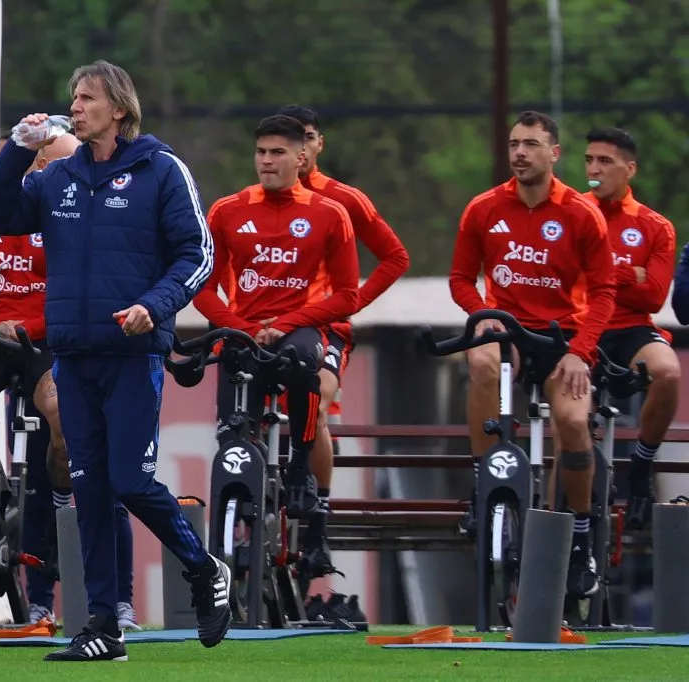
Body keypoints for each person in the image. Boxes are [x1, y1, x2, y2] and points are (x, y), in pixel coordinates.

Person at [0, 60, 230, 662]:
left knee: (130, 480)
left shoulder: (162, 170)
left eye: (86, 97)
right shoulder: (57, 177)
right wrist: (15, 150)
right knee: (87, 489)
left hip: (133, 355)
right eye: (73, 97)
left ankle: (202, 567)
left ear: (118, 108)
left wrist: (154, 306)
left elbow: (198, 256)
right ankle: (102, 628)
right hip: (73, 352)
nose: (76, 105)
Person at [0, 133, 139, 630]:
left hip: (50, 342)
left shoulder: (66, 219)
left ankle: (69, 505)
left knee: (64, 427)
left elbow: (81, 292)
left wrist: (32, 328)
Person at [449, 111, 616, 599]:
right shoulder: (483, 207)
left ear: (554, 153)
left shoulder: (581, 213)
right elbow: (461, 278)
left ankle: (581, 537)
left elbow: (605, 291)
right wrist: (483, 313)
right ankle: (484, 487)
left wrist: (582, 351)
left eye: (531, 144)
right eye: (514, 144)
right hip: (508, 331)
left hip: (564, 337)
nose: (520, 153)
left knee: (571, 423)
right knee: (480, 360)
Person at [193, 112, 360, 529]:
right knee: (231, 434)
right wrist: (243, 328)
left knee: (305, 361)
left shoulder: (330, 212)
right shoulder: (227, 210)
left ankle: (301, 466)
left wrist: (288, 323)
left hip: (298, 330)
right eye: (261, 152)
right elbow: (201, 287)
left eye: (277, 152)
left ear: (301, 156)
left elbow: (347, 295)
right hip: (244, 331)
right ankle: (232, 531)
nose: (266, 160)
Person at [274, 104, 409, 580]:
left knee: (318, 396)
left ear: (318, 143)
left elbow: (395, 256)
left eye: (309, 138)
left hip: (324, 326)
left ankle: (318, 527)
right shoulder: (253, 201)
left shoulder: (344, 200)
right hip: (267, 324)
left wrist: (352, 302)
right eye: (294, 141)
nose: (303, 149)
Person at [583, 127, 680, 530]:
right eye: (589, 160)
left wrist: (602, 273)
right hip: (582, 325)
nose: (594, 169)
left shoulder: (655, 226)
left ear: (629, 169)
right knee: (572, 407)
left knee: (668, 371)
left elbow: (654, 296)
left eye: (605, 161)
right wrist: (628, 273)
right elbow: (565, 279)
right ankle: (579, 503)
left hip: (630, 329)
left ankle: (641, 465)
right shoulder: (574, 211)